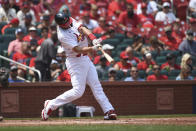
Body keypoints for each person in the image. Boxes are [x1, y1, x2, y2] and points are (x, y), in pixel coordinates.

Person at [41, 12, 117, 121]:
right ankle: (51, 104)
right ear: (61, 24)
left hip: (85, 59)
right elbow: (78, 49)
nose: (68, 22)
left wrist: (93, 38)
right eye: (66, 22)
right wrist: (93, 48)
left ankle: (109, 110)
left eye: (68, 20)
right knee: (78, 91)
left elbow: (82, 28)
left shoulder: (70, 20)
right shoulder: (63, 35)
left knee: (96, 86)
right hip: (75, 61)